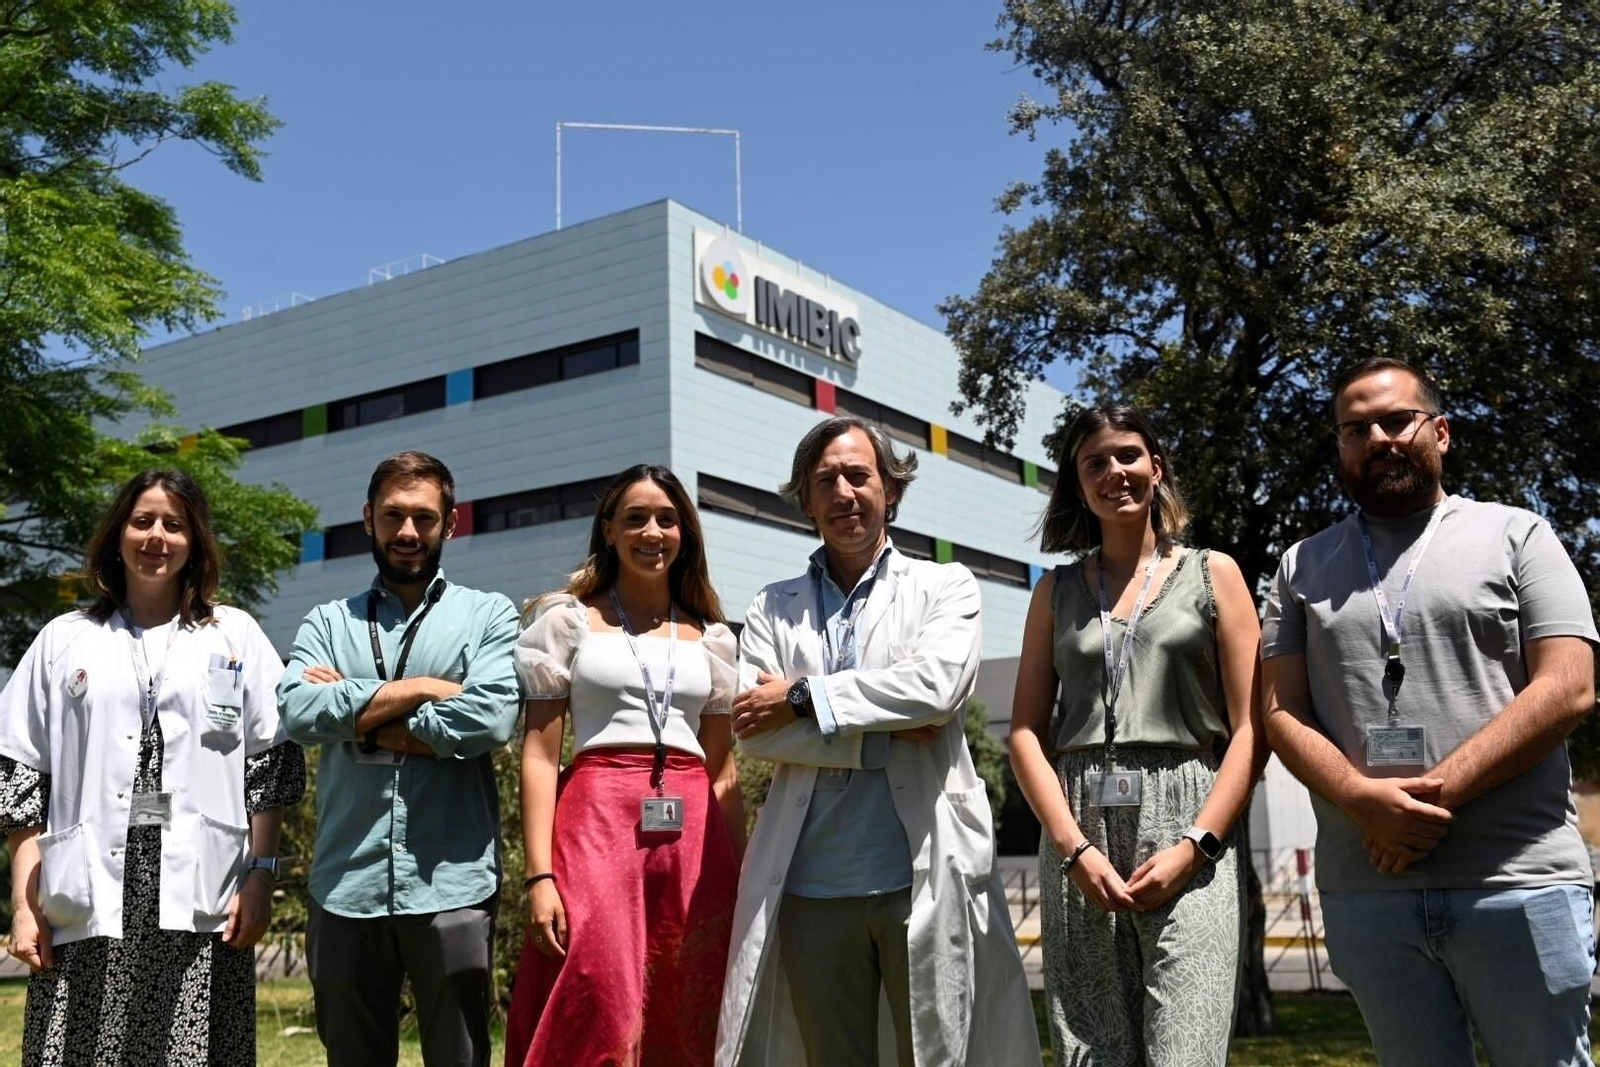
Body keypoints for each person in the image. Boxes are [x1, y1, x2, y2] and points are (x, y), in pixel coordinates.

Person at [1262, 358, 1598, 1065]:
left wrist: (1423, 804)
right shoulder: (1299, 567)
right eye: (1355, 428)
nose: (1377, 437)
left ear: (1440, 432)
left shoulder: (1520, 536)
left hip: (1518, 883)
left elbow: (1568, 687)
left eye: (1395, 420)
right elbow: (1280, 711)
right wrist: (1360, 796)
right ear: (1340, 447)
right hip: (1368, 892)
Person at [716, 417, 1040, 1067]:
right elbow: (753, 731)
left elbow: (936, 690)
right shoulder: (770, 606)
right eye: (824, 480)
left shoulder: (944, 587)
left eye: (858, 475)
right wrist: (881, 736)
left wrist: (804, 696)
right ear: (805, 500)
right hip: (812, 885)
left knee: (936, 1053)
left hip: (918, 875)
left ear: (890, 490)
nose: (844, 492)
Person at [0, 468, 305, 1066]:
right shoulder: (65, 639)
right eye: (142, 522)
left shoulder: (234, 634)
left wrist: (262, 875)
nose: (156, 537)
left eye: (174, 524)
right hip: (87, 891)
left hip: (203, 890)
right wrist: (21, 900)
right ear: (118, 536)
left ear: (196, 542)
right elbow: (20, 773)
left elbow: (271, 765)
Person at [1007, 405, 1266, 1065]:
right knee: (1093, 1049)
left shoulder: (1215, 574)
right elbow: (1026, 734)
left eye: (1127, 454)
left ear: (1156, 466)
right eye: (1095, 461)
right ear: (1076, 481)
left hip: (1190, 815)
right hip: (1079, 821)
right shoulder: (1055, 591)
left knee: (1187, 1048)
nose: (1114, 472)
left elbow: (1249, 731)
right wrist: (1074, 848)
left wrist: (1198, 842)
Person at [278, 451, 519, 1067]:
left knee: (459, 1056)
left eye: (423, 517)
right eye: (392, 516)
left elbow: (489, 719)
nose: (407, 532)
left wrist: (357, 721)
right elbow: (300, 713)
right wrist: (424, 691)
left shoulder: (488, 615)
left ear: (451, 523)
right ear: (368, 519)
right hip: (345, 882)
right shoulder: (329, 620)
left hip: (453, 882)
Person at [504, 464, 744, 1066]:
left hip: (694, 839)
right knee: (601, 997)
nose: (652, 531)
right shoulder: (566, 621)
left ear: (684, 533)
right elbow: (538, 754)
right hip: (595, 826)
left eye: (667, 519)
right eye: (634, 518)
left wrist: (744, 877)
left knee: (689, 1003)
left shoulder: (712, 638)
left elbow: (722, 771)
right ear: (608, 530)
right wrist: (539, 876)